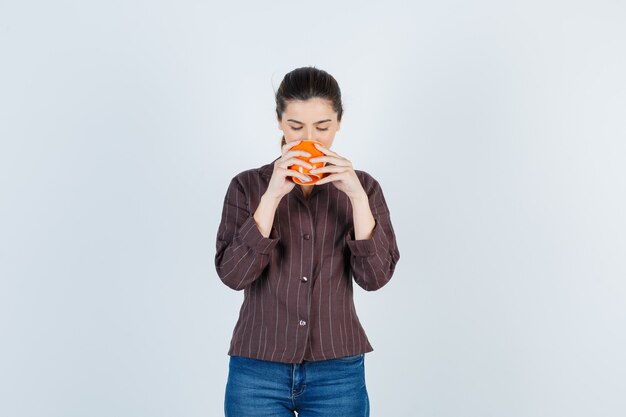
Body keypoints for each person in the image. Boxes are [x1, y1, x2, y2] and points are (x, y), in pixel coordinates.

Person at [214, 66, 400, 417]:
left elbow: (375, 278)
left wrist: (358, 200)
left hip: (337, 372)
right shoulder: (247, 186)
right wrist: (271, 197)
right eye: (296, 127)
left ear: (340, 121)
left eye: (322, 127)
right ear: (279, 121)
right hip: (257, 369)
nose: (309, 140)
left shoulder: (364, 188)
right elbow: (233, 275)